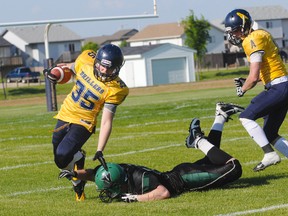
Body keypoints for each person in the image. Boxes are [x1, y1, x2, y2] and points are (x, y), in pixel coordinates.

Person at [58, 102, 244, 202]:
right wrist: (75, 174)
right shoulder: (117, 171)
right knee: (213, 156)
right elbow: (95, 173)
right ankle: (221, 115)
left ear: (118, 184)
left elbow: (163, 193)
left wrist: (136, 198)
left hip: (186, 179)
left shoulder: (140, 178)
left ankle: (196, 140)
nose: (105, 191)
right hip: (179, 171)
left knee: (234, 168)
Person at [44, 44, 129, 201]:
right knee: (59, 159)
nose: (104, 71)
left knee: (62, 154)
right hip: (65, 114)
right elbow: (69, 68)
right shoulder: (85, 60)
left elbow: (106, 121)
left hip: (84, 122)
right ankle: (78, 171)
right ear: (96, 61)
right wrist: (56, 72)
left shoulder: (116, 89)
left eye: (109, 69)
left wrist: (100, 149)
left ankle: (77, 172)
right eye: (102, 66)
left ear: (117, 69)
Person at [224, 9, 288, 172]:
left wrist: (242, 89)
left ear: (245, 26)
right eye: (233, 32)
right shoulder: (260, 35)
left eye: (237, 30)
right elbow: (263, 72)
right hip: (281, 85)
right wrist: (247, 81)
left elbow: (253, 78)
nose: (235, 35)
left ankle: (269, 154)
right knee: (269, 133)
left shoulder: (251, 39)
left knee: (246, 117)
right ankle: (270, 152)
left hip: (278, 87)